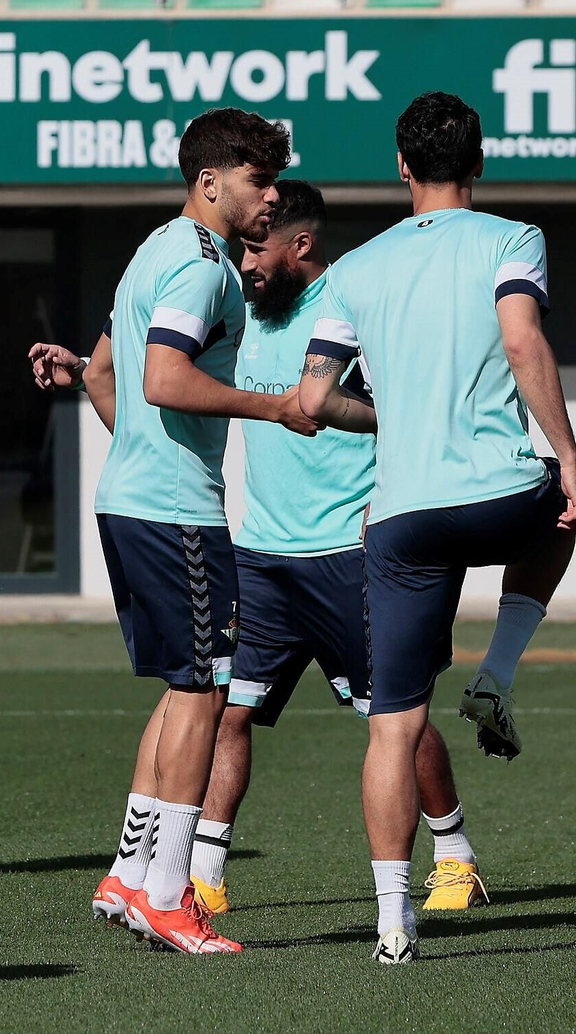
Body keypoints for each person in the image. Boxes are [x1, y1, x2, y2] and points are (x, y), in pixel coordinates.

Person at [297, 92, 575, 964]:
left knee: (392, 728)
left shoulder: (355, 266)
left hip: (405, 518)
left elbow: (311, 400)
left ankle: (391, 926)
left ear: (401, 165)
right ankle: (495, 673)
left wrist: (389, 417)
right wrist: (567, 452)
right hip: (496, 499)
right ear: (479, 161)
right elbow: (525, 343)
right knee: (567, 506)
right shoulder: (510, 237)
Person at [29, 108, 306, 954]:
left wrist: (147, 460)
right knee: (203, 692)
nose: (272, 196)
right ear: (209, 180)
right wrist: (275, 407)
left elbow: (104, 373)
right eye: (260, 180)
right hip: (174, 512)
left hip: (136, 499)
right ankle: (166, 894)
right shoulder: (201, 264)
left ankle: (128, 875)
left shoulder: (154, 248)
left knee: (183, 686)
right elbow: (163, 379)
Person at [186, 180, 485, 915]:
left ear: (303, 245)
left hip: (351, 558)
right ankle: (204, 875)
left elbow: (411, 409)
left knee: (396, 719)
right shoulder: (242, 312)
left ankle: (453, 853)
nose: (246, 261)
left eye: (258, 247)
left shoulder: (355, 308)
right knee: (230, 710)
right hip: (259, 556)